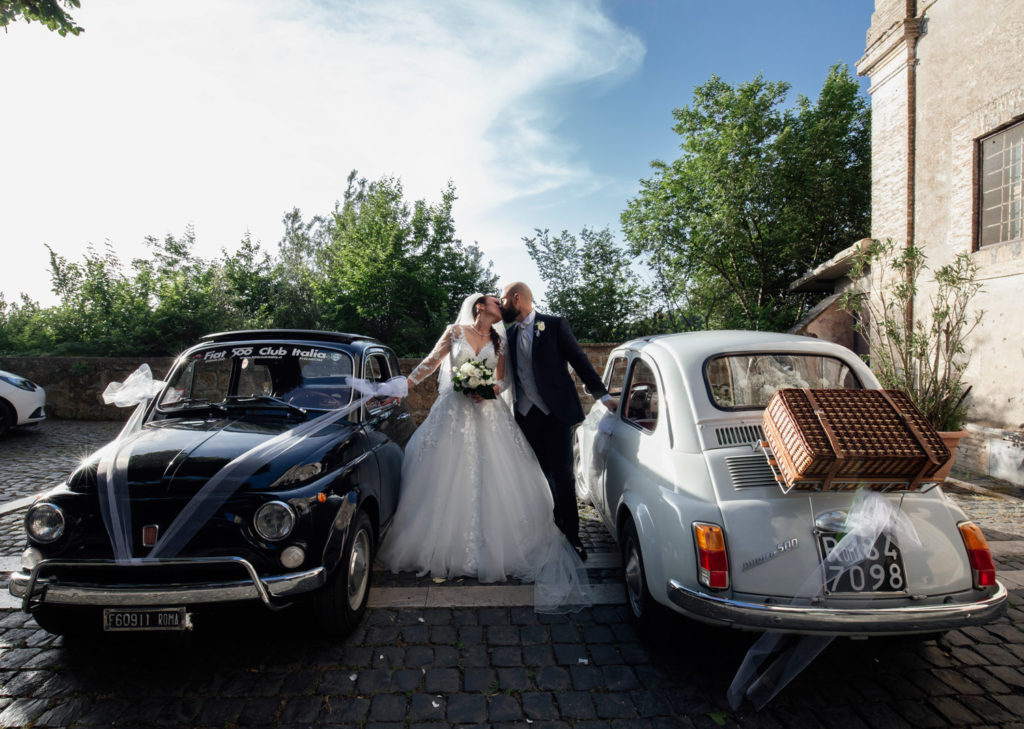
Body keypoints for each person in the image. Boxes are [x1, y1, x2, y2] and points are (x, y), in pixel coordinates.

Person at [377, 292, 589, 612]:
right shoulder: (454, 332)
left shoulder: (500, 340)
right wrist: (404, 384)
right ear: (480, 306)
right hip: (452, 413)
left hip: (488, 413)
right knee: (447, 474)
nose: (499, 306)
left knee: (497, 476)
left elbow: (503, 381)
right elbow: (432, 362)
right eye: (494, 302)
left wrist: (487, 389)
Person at [499, 282, 617, 562]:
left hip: (557, 415)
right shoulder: (509, 334)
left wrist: (601, 394)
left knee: (563, 475)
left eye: (503, 299)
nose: (502, 304)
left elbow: (578, 359)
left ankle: (572, 537)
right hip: (526, 416)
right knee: (536, 476)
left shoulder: (553, 325)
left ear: (517, 298)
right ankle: (546, 533)